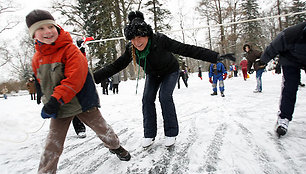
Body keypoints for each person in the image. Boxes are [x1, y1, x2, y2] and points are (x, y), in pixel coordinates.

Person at [93, 11, 235, 148]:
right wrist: (94, 77)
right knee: (147, 99)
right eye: (133, 39)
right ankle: (149, 134)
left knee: (164, 96)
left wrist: (214, 57)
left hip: (170, 71)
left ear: (147, 34)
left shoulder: (160, 40)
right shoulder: (132, 49)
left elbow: (186, 49)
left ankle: (171, 132)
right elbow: (117, 65)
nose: (137, 42)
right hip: (152, 74)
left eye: (139, 37)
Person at [25, 9, 131, 173]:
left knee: (103, 129)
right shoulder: (37, 58)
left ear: (57, 27)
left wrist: (55, 100)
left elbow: (75, 78)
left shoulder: (70, 50)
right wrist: (45, 99)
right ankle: (45, 171)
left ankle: (116, 146)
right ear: (33, 34)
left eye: (50, 26)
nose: (47, 31)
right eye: (40, 29)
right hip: (60, 106)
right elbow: (41, 81)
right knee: (52, 144)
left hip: (81, 102)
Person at [260, 22, 306, 137]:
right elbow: (273, 47)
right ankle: (283, 119)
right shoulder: (291, 34)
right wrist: (263, 61)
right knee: (290, 88)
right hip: (290, 59)